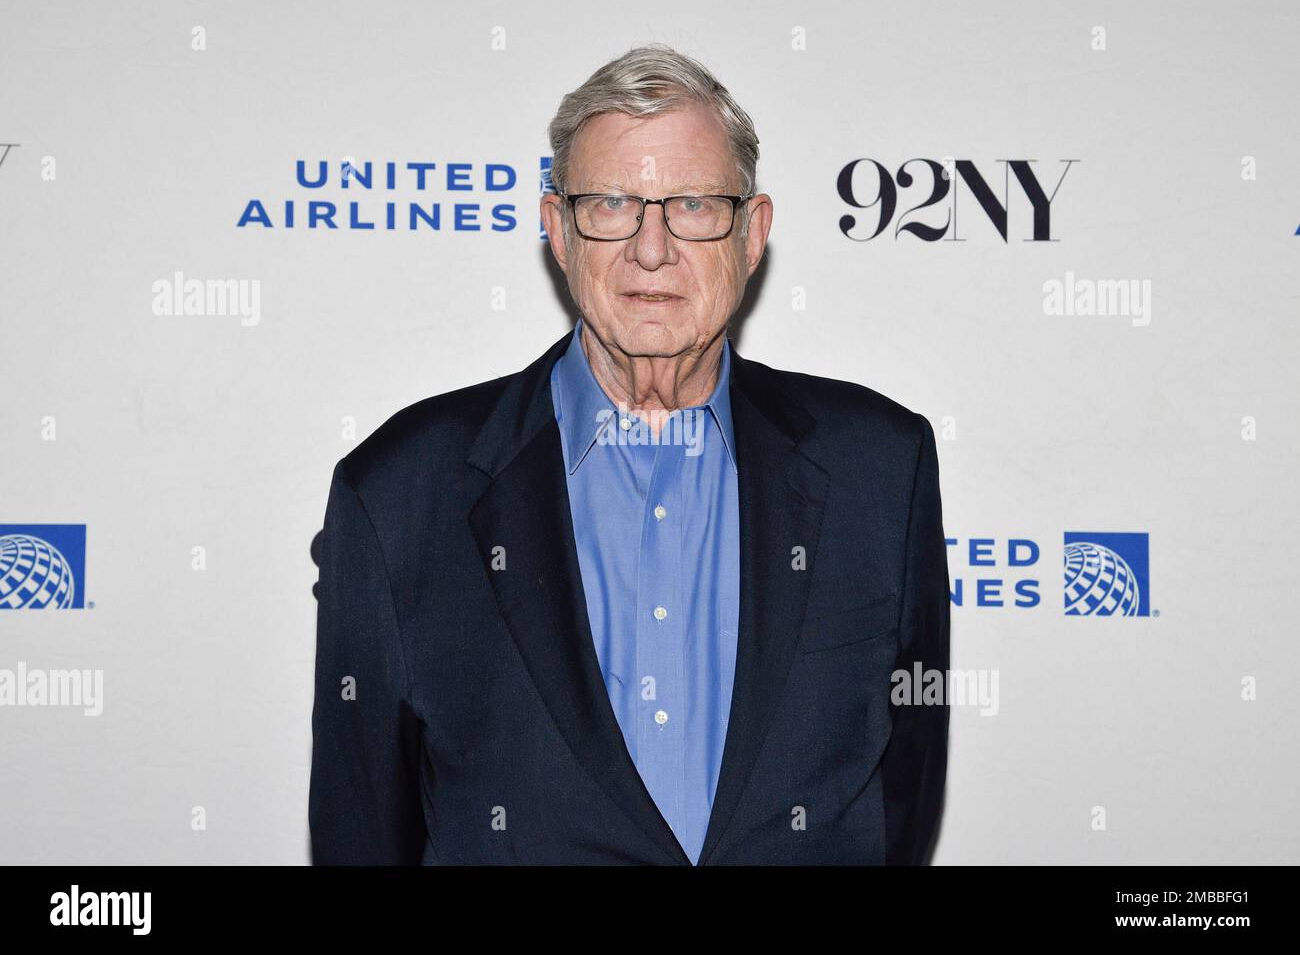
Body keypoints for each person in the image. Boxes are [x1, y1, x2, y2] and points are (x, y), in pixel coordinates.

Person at [309, 43, 949, 865]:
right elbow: (364, 832)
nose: (653, 248)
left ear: (752, 235)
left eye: (693, 204)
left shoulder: (882, 470)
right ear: (557, 231)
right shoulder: (398, 493)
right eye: (612, 203)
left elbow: (904, 803)